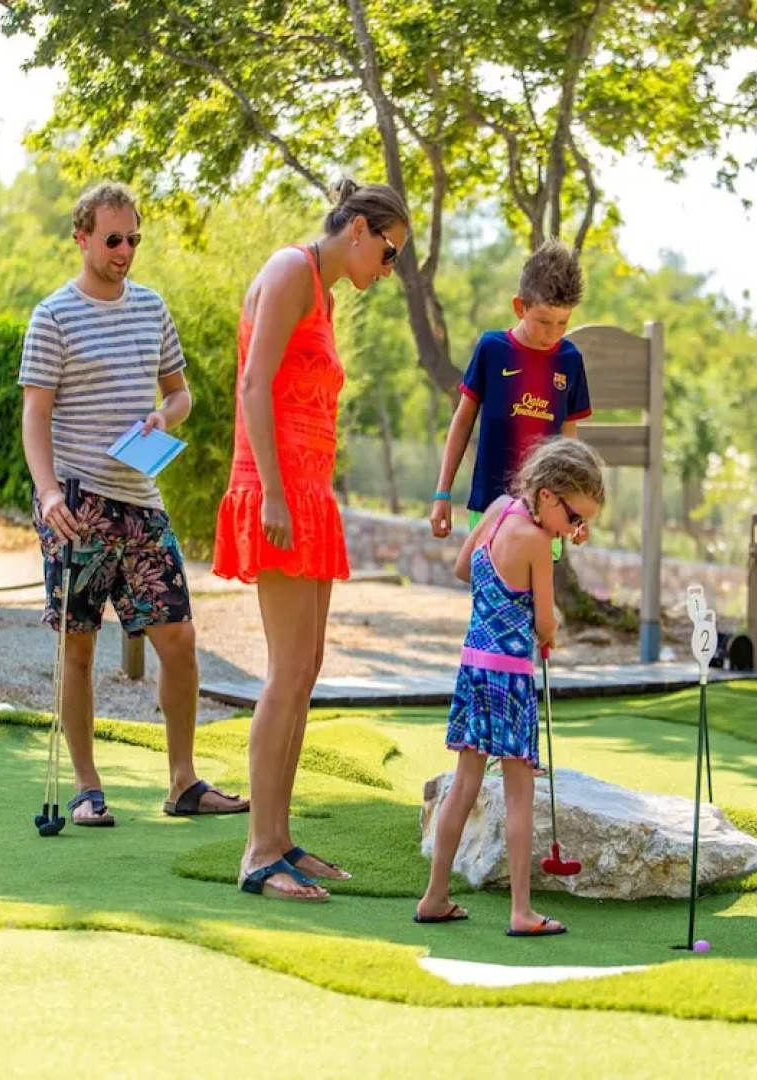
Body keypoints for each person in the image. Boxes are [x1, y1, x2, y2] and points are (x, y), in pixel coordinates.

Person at [19, 181, 246, 827]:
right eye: (113, 239)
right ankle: (87, 788)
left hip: (142, 501)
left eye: (134, 240)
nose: (125, 251)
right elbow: (35, 415)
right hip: (78, 505)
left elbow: (181, 394)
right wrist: (48, 492)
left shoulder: (151, 307)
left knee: (180, 639)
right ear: (82, 237)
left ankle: (183, 782)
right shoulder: (52, 316)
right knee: (79, 648)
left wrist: (164, 415)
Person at [213, 178, 412, 902]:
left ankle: (281, 836)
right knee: (285, 672)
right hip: (279, 492)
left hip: (307, 492)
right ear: (358, 229)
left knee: (305, 671)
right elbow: (253, 385)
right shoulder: (291, 268)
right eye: (389, 254)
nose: (388, 271)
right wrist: (271, 490)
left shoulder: (321, 292)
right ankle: (259, 853)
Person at [415, 436, 605, 936]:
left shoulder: (499, 511)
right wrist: (547, 630)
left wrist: (499, 601)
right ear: (547, 495)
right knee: (520, 795)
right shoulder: (539, 543)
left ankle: (434, 896)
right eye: (574, 518)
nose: (572, 531)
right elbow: (545, 620)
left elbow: (463, 568)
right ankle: (521, 911)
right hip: (511, 679)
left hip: (474, 667)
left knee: (464, 785)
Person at [429, 240, 592, 559]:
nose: (552, 333)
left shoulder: (570, 360)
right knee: (489, 588)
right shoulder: (491, 349)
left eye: (563, 323)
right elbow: (463, 420)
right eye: (543, 321)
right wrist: (442, 493)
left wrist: (575, 509)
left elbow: (569, 441)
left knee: (535, 590)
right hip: (489, 506)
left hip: (547, 512)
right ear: (520, 307)